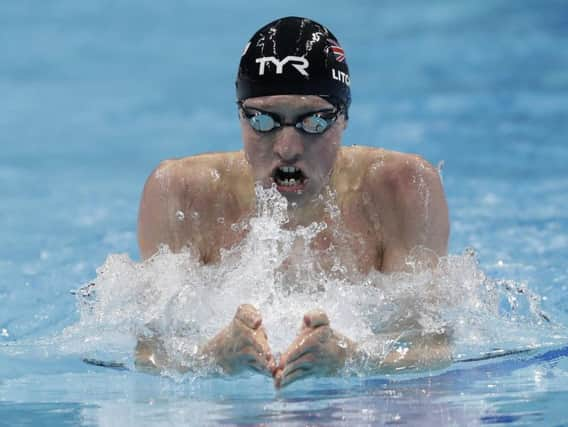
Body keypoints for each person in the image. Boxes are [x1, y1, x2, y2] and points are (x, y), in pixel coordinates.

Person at [135, 16, 450, 387]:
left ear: (344, 118)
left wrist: (353, 359)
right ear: (240, 115)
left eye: (313, 122)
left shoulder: (402, 190)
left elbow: (433, 349)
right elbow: (149, 356)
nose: (287, 148)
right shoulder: (179, 194)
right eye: (263, 121)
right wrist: (212, 358)